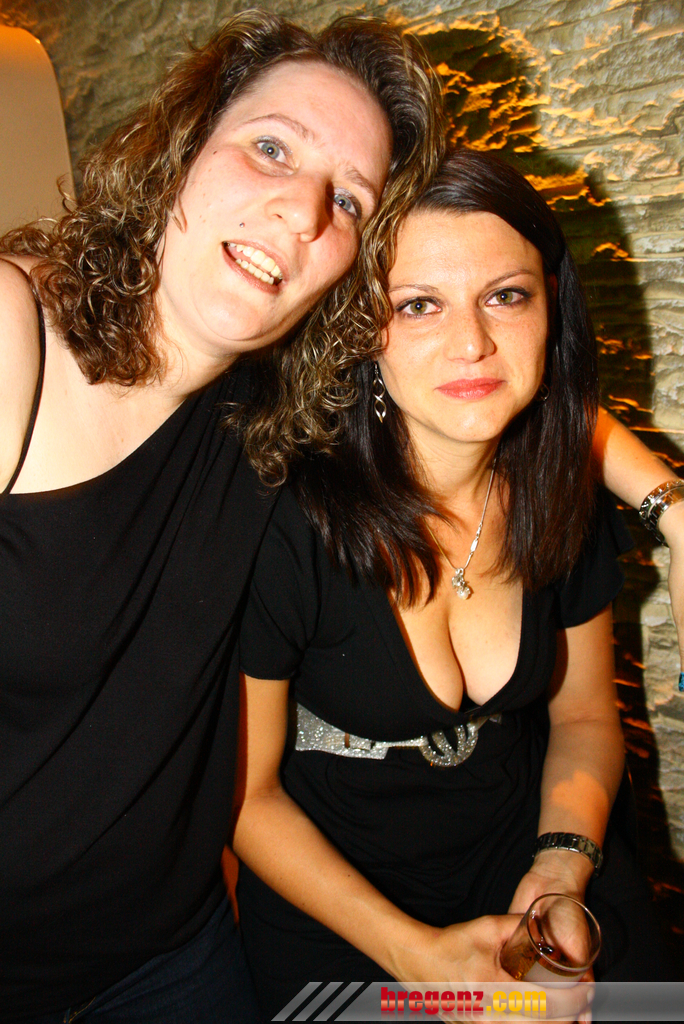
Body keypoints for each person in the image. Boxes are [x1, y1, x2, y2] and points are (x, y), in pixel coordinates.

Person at [0, 12, 444, 1022]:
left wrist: (668, 504)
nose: (303, 212)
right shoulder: (15, 334)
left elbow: (488, 359)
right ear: (180, 146)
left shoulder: (277, 405)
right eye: (272, 148)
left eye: (349, 199)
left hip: (174, 951)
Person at [233, 147, 681, 1020]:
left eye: (505, 296)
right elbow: (246, 800)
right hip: (343, 911)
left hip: (533, 852)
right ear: (359, 331)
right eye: (418, 305)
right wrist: (421, 962)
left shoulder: (557, 489)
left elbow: (585, 718)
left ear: (551, 307)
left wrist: (562, 868)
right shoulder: (287, 518)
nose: (472, 342)